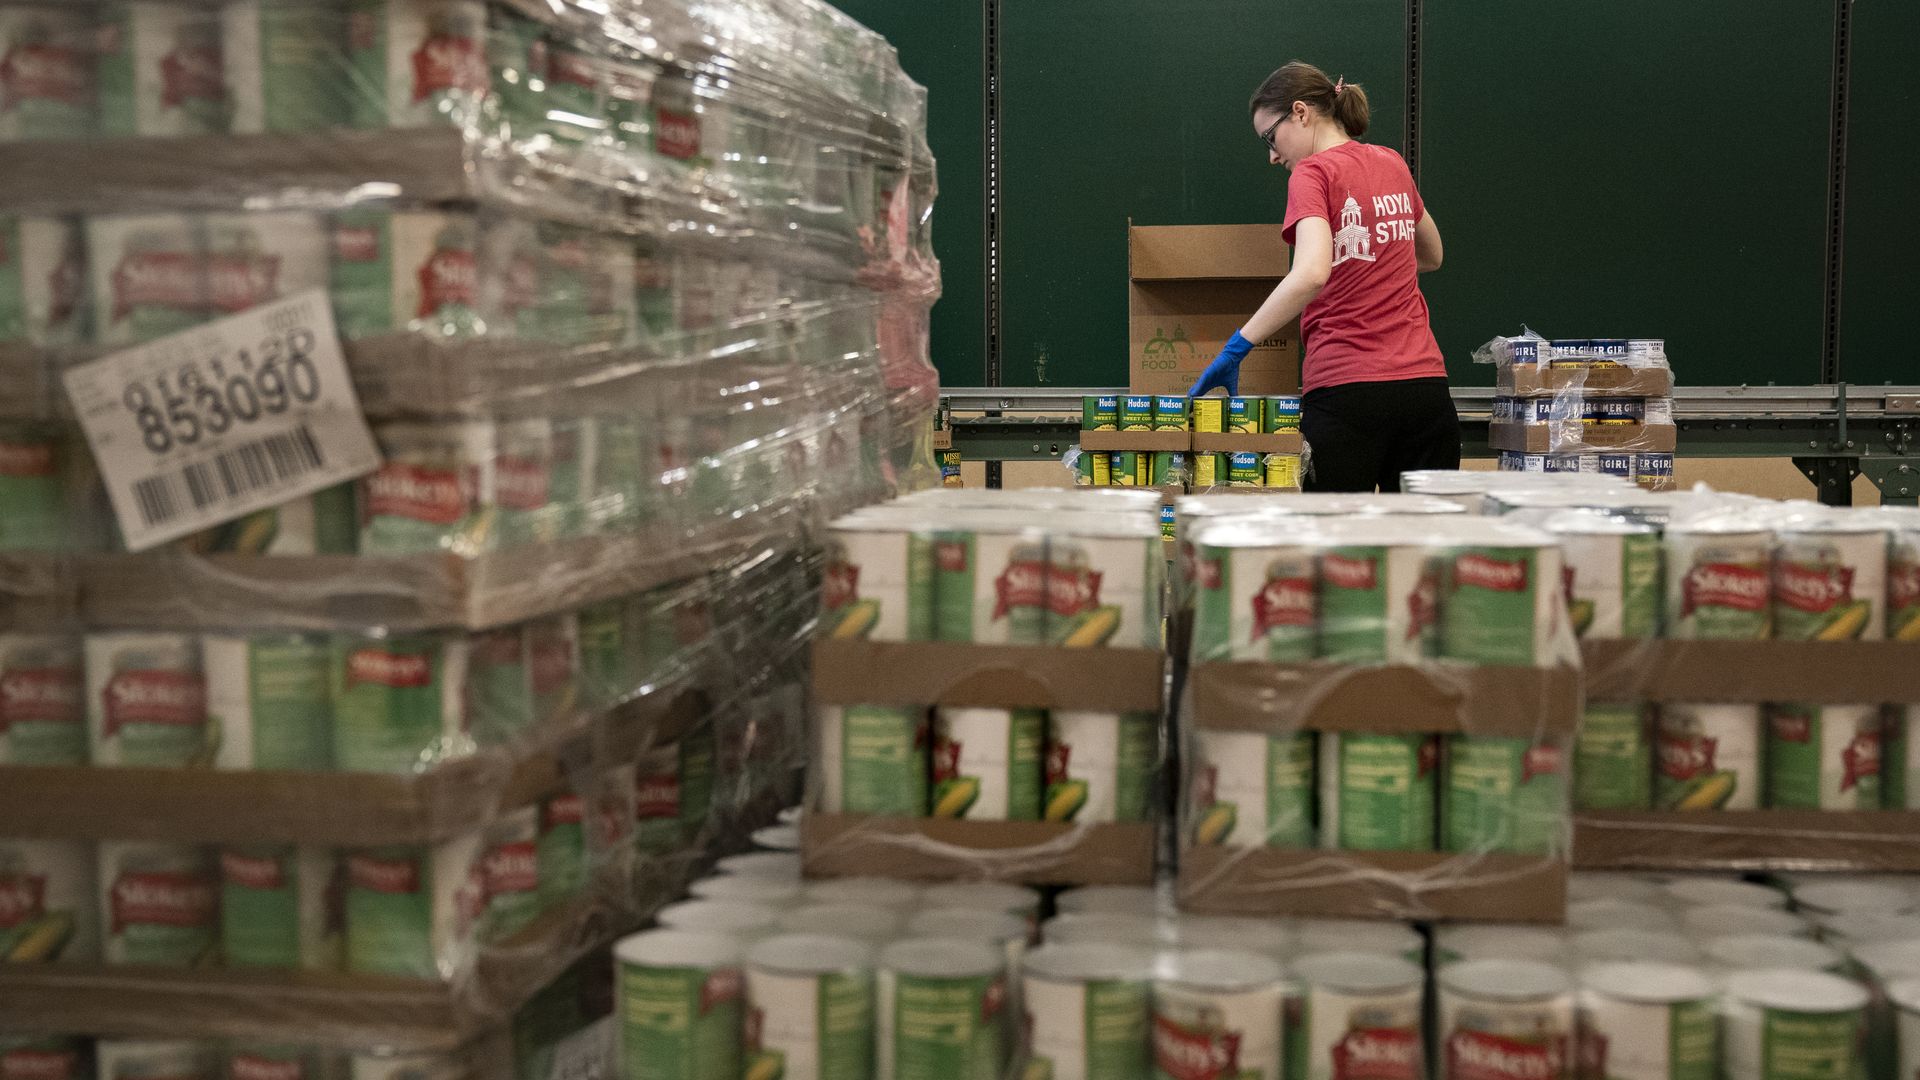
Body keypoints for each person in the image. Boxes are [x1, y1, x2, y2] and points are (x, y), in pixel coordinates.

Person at [1188, 61, 1458, 493]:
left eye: (1270, 137)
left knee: (1336, 555)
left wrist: (1238, 347)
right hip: (1426, 393)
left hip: (1349, 396)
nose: (1273, 155)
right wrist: (1372, 264)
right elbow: (1432, 254)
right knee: (1420, 553)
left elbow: (1311, 272)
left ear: (1300, 112)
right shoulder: (1391, 162)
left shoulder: (1313, 173)